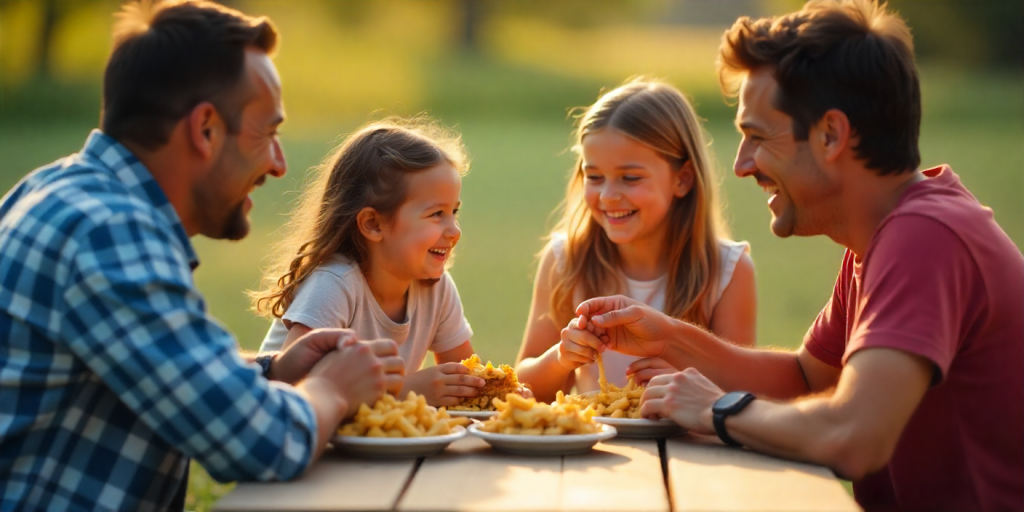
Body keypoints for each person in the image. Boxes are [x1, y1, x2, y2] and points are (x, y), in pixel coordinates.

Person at [569, 1, 1024, 510]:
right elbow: (805, 380)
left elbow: (855, 435)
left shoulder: (926, 237)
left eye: (757, 137)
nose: (741, 166)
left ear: (831, 134)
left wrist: (720, 409)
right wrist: (670, 337)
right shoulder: (883, 239)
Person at [0, 2, 404, 511]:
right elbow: (258, 444)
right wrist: (332, 390)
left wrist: (273, 370)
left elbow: (149, 366)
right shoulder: (109, 233)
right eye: (268, 133)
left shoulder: (52, 190)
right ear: (205, 129)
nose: (279, 164)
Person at [515, 78, 757, 403]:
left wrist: (689, 386)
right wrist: (561, 357)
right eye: (595, 177)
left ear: (682, 179)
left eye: (630, 178)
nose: (609, 196)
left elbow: (743, 391)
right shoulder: (565, 260)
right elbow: (525, 389)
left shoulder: (728, 270)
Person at [252, 119, 485, 408]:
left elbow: (468, 379)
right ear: (373, 224)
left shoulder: (437, 289)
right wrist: (404, 393)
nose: (454, 230)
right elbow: (292, 397)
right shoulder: (334, 285)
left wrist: (498, 395)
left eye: (454, 212)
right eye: (437, 214)